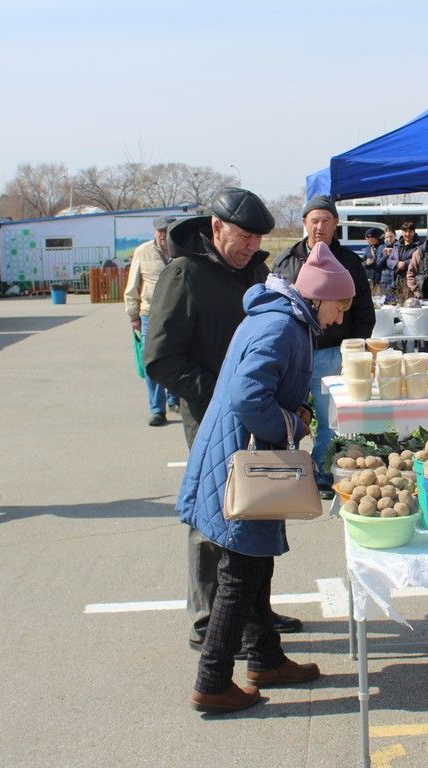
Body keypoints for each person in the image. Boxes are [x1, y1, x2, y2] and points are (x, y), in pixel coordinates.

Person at [181, 242, 356, 713]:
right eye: (340, 307)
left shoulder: (277, 316)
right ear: (319, 298)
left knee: (254, 562)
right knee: (240, 571)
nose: (339, 318)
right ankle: (213, 680)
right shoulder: (283, 326)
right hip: (247, 463)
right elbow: (248, 395)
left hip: (237, 457)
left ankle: (265, 657)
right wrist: (293, 424)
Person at [143, 188, 302, 652]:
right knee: (213, 516)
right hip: (211, 413)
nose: (252, 246)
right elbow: (160, 359)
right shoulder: (184, 273)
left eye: (257, 239)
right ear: (215, 227)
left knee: (263, 506)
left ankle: (256, 612)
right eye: (244, 236)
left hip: (260, 413)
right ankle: (206, 617)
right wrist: (220, 393)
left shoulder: (256, 272)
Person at [272, 195, 374, 490]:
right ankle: (288, 473)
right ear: (304, 223)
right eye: (314, 220)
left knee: (332, 419)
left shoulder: (349, 262)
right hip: (292, 355)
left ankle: (324, 472)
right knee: (288, 416)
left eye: (326, 221)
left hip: (332, 354)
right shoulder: (286, 259)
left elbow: (364, 311)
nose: (320, 227)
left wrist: (355, 349)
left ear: (336, 224)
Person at [124, 216, 178, 426]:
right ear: (155, 232)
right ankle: (158, 409)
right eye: (160, 231)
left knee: (175, 358)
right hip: (150, 314)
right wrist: (133, 315)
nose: (164, 236)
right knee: (152, 362)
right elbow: (132, 284)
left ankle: (174, 399)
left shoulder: (180, 250)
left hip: (177, 313)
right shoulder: (143, 251)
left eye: (167, 231)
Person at [388, 221, 421, 303]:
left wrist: (405, 264)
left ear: (414, 232)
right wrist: (396, 264)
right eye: (405, 231)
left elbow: (419, 259)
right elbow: (389, 260)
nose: (407, 234)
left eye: (410, 231)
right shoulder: (397, 245)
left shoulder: (419, 245)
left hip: (410, 281)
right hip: (396, 281)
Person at [379, 227, 398, 296]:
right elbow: (378, 265)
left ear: (395, 236)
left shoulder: (399, 246)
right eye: (387, 237)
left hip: (397, 279)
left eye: (391, 236)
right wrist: (385, 255)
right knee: (386, 303)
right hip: (385, 280)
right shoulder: (381, 247)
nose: (389, 239)